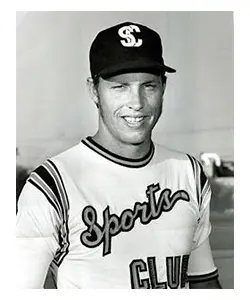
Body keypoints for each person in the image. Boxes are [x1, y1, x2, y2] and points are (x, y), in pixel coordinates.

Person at [16, 21, 222, 289]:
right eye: (119, 86)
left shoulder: (189, 172)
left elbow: (203, 283)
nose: (136, 103)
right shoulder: (53, 185)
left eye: (148, 85)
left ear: (164, 87)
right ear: (93, 90)